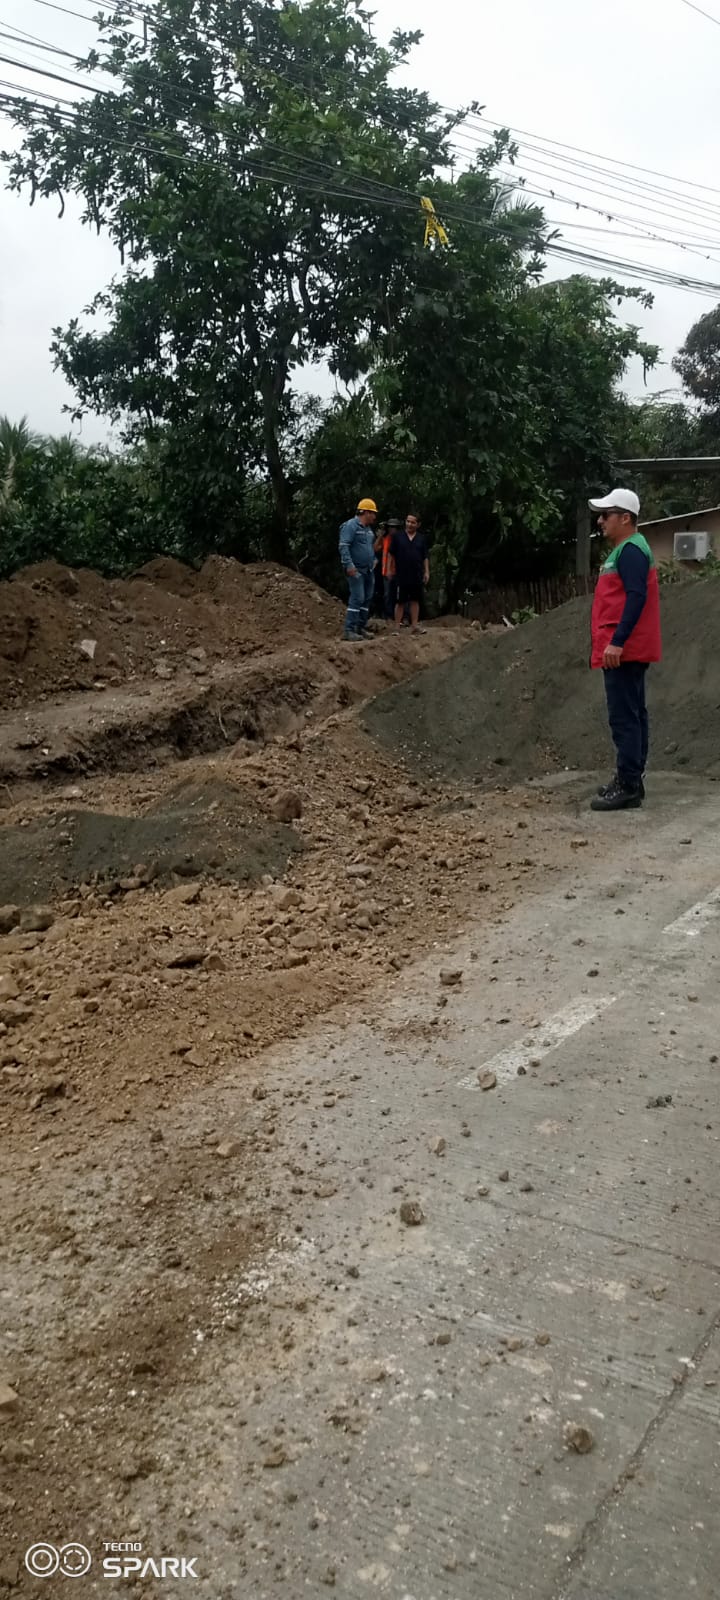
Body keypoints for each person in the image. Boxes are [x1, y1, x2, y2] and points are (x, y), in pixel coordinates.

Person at [588, 488, 661, 812]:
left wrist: (617, 641)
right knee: (634, 714)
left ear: (625, 518)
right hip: (627, 647)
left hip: (623, 649)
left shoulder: (630, 551)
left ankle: (628, 786)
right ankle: (632, 778)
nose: (600, 521)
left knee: (624, 718)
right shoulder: (629, 549)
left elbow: (636, 596)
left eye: (606, 515)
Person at [338, 498, 378, 641]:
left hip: (368, 570)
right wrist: (349, 565)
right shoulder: (350, 526)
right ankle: (349, 630)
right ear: (366, 512)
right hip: (356, 570)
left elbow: (369, 548)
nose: (374, 517)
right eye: (373, 513)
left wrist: (374, 559)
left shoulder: (368, 530)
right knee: (357, 597)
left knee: (366, 598)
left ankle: (360, 628)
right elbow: (344, 546)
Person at [391, 513, 429, 634]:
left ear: (418, 524)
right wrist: (389, 569)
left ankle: (415, 626)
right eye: (408, 521)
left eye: (413, 522)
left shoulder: (421, 539)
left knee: (415, 600)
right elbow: (391, 554)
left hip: (417, 574)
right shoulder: (398, 537)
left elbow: (425, 556)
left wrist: (427, 571)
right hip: (401, 574)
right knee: (400, 601)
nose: (409, 524)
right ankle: (396, 627)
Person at [375, 516, 401, 620]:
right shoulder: (385, 539)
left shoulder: (402, 539)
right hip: (386, 572)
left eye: (394, 527)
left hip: (399, 572)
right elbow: (376, 548)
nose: (392, 529)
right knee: (387, 595)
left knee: (399, 595)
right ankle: (388, 615)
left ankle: (401, 616)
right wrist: (380, 536)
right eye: (390, 527)